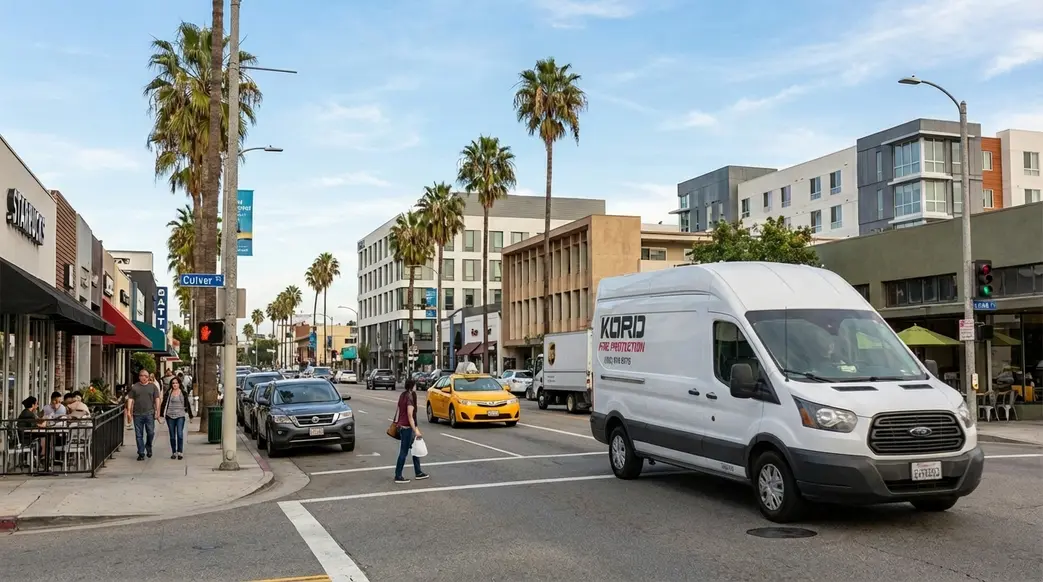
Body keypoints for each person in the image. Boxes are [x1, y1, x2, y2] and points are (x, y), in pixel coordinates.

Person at [393, 378, 429, 484]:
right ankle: (398, 475)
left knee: (415, 449)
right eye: (415, 386)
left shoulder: (402, 395)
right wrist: (415, 430)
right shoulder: (409, 397)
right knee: (403, 452)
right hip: (407, 428)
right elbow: (410, 415)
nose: (416, 387)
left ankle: (418, 472)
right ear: (412, 386)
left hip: (402, 426)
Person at [127, 369, 162, 460]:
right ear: (139, 377)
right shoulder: (135, 387)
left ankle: (148, 446)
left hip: (149, 413)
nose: (144, 378)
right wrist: (128, 411)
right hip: (137, 414)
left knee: (150, 432)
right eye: (142, 376)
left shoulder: (153, 387)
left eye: (146, 376)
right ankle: (141, 452)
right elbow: (130, 399)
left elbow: (157, 399)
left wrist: (158, 412)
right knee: (139, 434)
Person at [160, 377, 193, 459]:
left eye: (176, 383)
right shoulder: (168, 393)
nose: (175, 384)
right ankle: (174, 452)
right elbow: (164, 403)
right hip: (170, 416)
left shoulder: (183, 393)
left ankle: (180, 452)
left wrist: (190, 415)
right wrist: (161, 414)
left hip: (180, 416)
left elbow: (187, 404)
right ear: (171, 384)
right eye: (173, 383)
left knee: (180, 434)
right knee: (172, 436)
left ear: (179, 384)